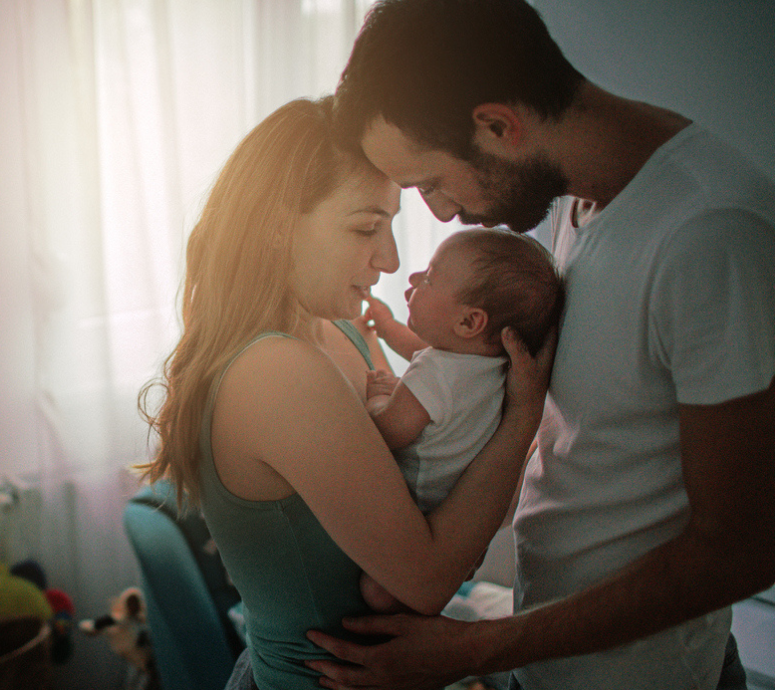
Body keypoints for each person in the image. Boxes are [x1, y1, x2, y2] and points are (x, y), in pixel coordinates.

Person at [304, 0, 775, 688]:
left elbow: (744, 550)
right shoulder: (581, 202)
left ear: (498, 125)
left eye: (432, 182)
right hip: (554, 661)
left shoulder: (712, 234)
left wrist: (474, 650)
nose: (437, 212)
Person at [137, 96, 554, 690]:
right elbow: (430, 578)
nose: (389, 259)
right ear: (280, 226)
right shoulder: (277, 371)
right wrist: (522, 421)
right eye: (365, 227)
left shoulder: (340, 331)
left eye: (389, 225)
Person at [358, 228, 563, 613]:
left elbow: (392, 431)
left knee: (374, 590)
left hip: (419, 509)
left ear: (469, 323)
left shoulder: (435, 371)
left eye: (429, 278)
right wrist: (386, 328)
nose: (414, 279)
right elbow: (422, 350)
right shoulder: (490, 366)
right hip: (461, 507)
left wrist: (378, 398)